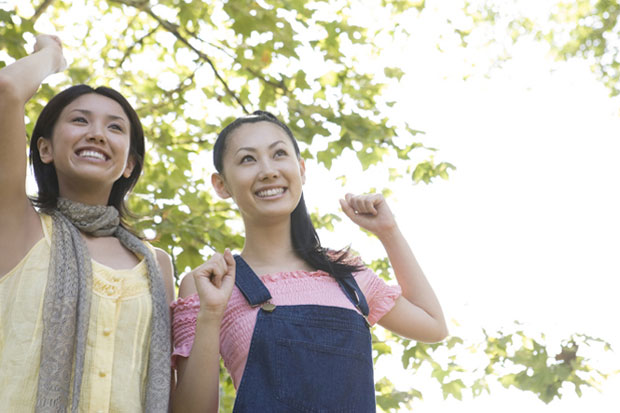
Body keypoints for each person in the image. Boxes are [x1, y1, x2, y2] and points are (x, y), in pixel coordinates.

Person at [171, 110, 448, 412]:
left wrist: (389, 232)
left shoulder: (346, 274)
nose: (268, 171)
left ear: (301, 169)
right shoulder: (211, 285)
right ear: (221, 184)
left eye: (279, 154)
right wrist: (211, 313)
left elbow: (433, 325)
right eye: (248, 159)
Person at [0, 34, 174, 412]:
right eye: (80, 120)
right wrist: (51, 55)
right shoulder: (18, 226)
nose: (96, 133)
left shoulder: (155, 265)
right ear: (44, 149)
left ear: (128, 164)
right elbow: (7, 89)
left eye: (115, 128)